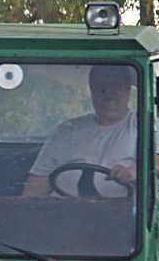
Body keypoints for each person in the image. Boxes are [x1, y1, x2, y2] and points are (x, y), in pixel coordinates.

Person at [22, 65, 137, 197]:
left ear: (128, 89)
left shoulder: (141, 124)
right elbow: (38, 182)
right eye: (101, 87)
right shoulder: (67, 130)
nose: (108, 92)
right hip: (61, 212)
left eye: (116, 85)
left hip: (121, 214)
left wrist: (132, 172)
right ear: (92, 91)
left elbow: (157, 164)